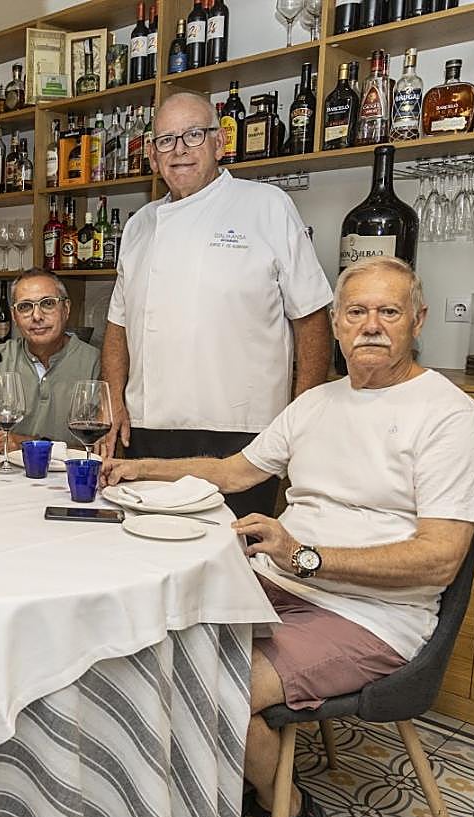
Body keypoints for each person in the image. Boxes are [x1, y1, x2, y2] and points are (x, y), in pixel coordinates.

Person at [100, 256, 474, 817]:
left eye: (389, 311)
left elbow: (440, 557)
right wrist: (138, 469)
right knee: (144, 648)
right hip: (279, 582)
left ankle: (282, 806)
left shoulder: (449, 417)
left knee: (211, 686)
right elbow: (234, 471)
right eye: (356, 311)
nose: (371, 325)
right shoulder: (317, 403)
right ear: (335, 322)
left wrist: (305, 555)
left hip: (373, 615)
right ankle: (180, 795)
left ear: (419, 320)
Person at [101, 91, 334, 519]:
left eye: (193, 135)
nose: (180, 150)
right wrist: (113, 401)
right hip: (147, 431)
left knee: (232, 559)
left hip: (242, 432)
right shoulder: (138, 226)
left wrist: (301, 419)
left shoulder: (266, 206)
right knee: (146, 552)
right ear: (152, 155)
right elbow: (118, 327)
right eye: (166, 140)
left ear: (219, 143)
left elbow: (313, 318)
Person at [0, 268, 99, 453]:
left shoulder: (96, 363)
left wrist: (33, 446)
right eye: (25, 307)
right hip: (7, 478)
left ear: (66, 309)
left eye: (47, 304)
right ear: (14, 316)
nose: (37, 316)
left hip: (71, 478)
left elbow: (101, 449)